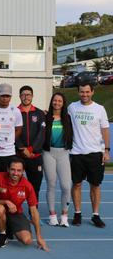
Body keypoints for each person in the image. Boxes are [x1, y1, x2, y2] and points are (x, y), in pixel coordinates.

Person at [68, 82, 109, 228]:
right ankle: (77, 213)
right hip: (76, 153)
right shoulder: (72, 107)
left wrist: (106, 150)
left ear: (92, 92)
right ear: (78, 92)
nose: (84, 94)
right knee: (77, 184)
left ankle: (95, 215)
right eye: (81, 92)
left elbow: (105, 129)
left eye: (87, 92)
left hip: (95, 154)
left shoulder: (99, 109)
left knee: (95, 185)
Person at [0, 157, 48, 250]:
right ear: (8, 169)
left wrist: (39, 236)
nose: (15, 173)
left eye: (19, 170)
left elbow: (34, 211)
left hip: (15, 213)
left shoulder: (27, 186)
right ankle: (2, 234)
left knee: (27, 240)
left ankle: (9, 227)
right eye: (13, 170)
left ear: (23, 171)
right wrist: (5, 201)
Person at [43, 92, 73, 227]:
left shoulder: (67, 118)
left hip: (63, 153)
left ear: (63, 103)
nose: (57, 103)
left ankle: (64, 215)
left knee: (66, 186)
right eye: (55, 100)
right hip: (48, 153)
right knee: (51, 184)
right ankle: (52, 215)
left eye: (60, 101)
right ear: (51, 102)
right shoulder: (46, 117)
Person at [16, 85, 46, 201]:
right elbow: (12, 133)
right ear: (20, 96)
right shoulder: (14, 112)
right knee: (14, 186)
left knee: (34, 188)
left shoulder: (39, 113)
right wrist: (22, 149)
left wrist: (31, 149)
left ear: (32, 96)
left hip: (35, 156)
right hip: (19, 156)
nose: (26, 97)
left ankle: (33, 213)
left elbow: (41, 134)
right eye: (23, 95)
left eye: (28, 94)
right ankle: (14, 214)